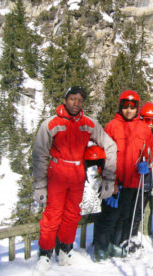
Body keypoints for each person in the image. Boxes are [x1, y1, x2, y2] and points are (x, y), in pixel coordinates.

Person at [32, 86, 117, 272]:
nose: (76, 103)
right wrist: (39, 185)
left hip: (78, 171)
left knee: (72, 214)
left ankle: (65, 249)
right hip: (57, 171)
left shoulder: (88, 123)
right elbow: (39, 154)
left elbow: (110, 146)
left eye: (80, 100)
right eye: (72, 99)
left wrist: (109, 177)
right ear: (65, 100)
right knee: (52, 214)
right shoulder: (51, 124)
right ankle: (45, 253)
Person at [92, 90, 153, 261]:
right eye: (125, 106)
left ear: (137, 108)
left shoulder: (143, 128)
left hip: (134, 182)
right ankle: (100, 247)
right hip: (115, 181)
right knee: (109, 216)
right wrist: (108, 180)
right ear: (120, 107)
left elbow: (151, 150)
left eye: (132, 107)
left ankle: (115, 244)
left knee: (125, 216)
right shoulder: (112, 126)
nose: (129, 110)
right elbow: (102, 154)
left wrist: (147, 163)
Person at [130, 102, 153, 244]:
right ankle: (132, 236)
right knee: (137, 211)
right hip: (137, 180)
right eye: (147, 120)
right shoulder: (135, 132)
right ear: (141, 118)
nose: (151, 124)